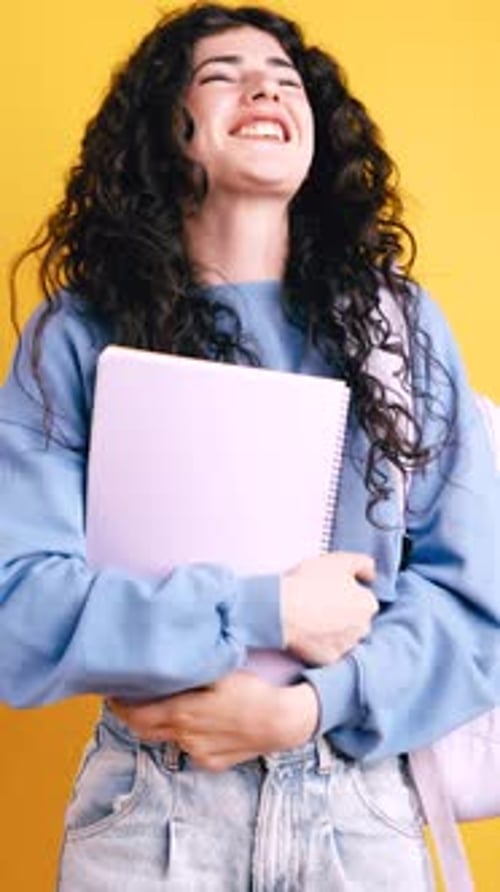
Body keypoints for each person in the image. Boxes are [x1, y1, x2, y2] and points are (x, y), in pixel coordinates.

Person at [1, 3, 499, 890]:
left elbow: (476, 606)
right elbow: (18, 613)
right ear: (167, 129)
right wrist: (265, 611)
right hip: (150, 811)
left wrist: (304, 712)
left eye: (284, 76)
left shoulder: (402, 329)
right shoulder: (75, 337)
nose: (265, 84)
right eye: (222, 74)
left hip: (357, 807)